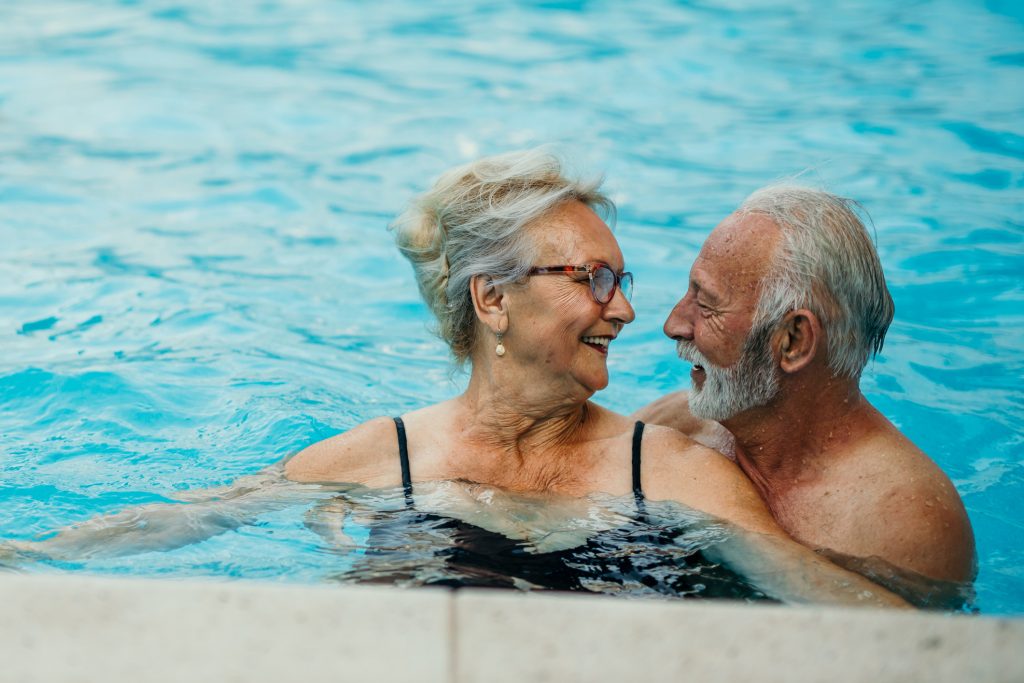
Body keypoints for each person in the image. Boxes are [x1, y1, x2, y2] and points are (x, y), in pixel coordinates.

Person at [284, 150, 906, 606]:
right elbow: (188, 526)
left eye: (620, 281)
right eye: (593, 279)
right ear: (493, 298)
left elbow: (823, 597)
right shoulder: (376, 457)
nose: (627, 310)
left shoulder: (670, 470)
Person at [633, 186, 976, 601]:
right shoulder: (679, 423)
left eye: (706, 306)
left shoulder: (902, 523)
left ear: (793, 340)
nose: (674, 324)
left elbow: (918, 657)